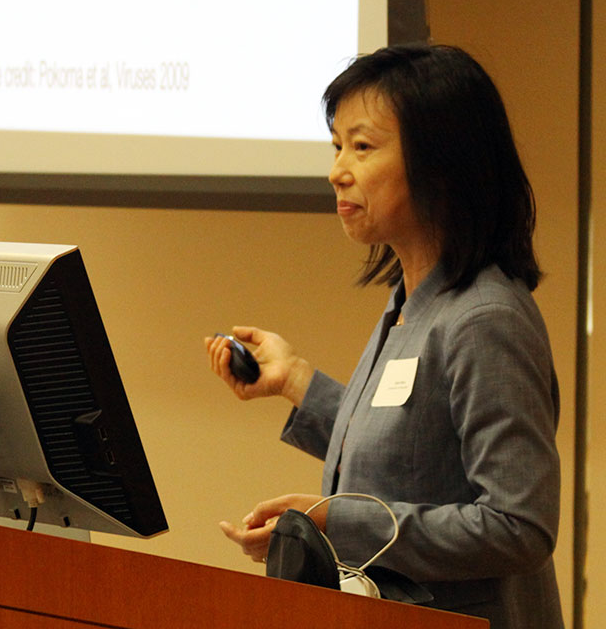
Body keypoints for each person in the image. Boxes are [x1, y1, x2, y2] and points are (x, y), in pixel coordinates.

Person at [205, 44, 563, 629]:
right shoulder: (410, 301)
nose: (337, 171)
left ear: (441, 164)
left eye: (363, 147)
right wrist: (296, 381)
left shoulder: (484, 318)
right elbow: (417, 456)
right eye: (336, 146)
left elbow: (519, 527)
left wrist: (335, 521)